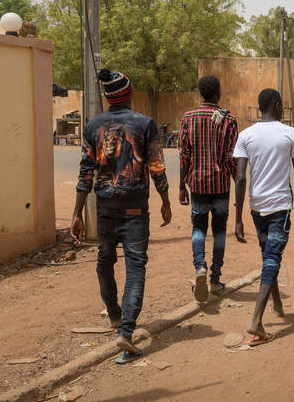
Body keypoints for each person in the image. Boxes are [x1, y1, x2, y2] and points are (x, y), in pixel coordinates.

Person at [70, 68, 172, 364]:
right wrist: (165, 200)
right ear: (129, 94)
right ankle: (126, 330)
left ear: (108, 98)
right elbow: (156, 166)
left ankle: (115, 315)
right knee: (136, 267)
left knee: (105, 261)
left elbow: (85, 172)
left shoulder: (93, 126)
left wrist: (77, 213)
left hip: (105, 209)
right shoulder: (145, 124)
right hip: (135, 208)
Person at [233, 89, 294, 346]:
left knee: (268, 255)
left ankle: (276, 302)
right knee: (272, 258)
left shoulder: (245, 135)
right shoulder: (291, 133)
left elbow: (240, 179)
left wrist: (238, 218)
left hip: (256, 207)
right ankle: (256, 320)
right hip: (280, 207)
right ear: (276, 105)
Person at [179, 75, 239, 301]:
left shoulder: (188, 118)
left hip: (197, 184)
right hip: (221, 184)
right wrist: (238, 184)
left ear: (200, 93)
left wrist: (181, 186)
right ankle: (215, 279)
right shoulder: (229, 119)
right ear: (218, 93)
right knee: (220, 230)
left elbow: (184, 156)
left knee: (198, 228)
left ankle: (200, 267)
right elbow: (232, 157)